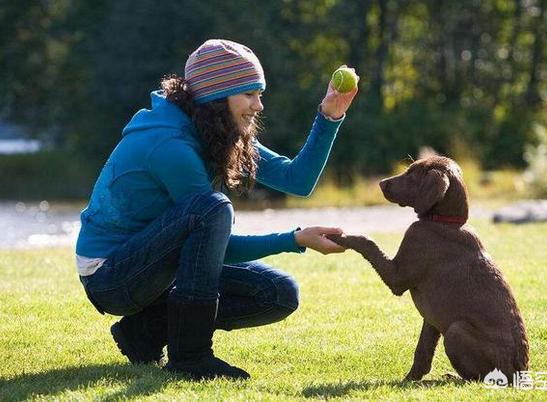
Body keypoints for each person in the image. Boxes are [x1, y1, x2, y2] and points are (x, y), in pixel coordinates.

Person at [75, 39, 358, 380]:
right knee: (211, 209)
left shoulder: (215, 129)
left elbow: (296, 180)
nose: (259, 105)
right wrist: (294, 239)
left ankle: (144, 332)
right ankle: (190, 356)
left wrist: (330, 115)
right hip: (111, 276)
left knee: (278, 294)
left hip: (157, 268)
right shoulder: (171, 145)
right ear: (216, 97)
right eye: (249, 94)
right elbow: (218, 242)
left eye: (259, 93)